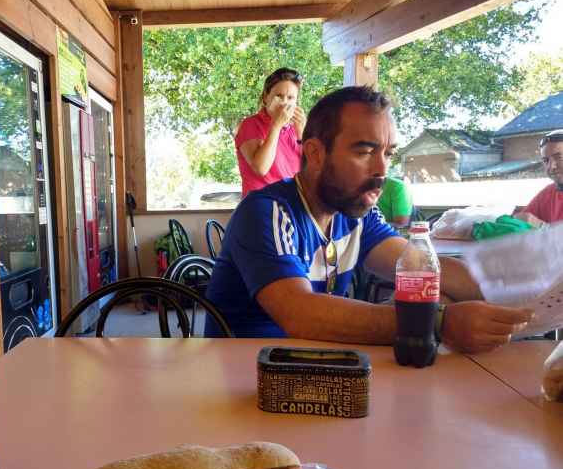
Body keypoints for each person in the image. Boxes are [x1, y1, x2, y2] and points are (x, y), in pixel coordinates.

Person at [205, 86, 533, 353]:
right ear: (316, 154)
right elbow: (301, 314)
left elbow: (420, 267)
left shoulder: (355, 212)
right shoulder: (267, 211)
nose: (382, 170)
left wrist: (518, 296)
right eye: (364, 152)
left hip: (318, 370)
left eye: (387, 153)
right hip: (248, 384)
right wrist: (435, 323)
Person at [235, 68, 307, 198]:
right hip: (262, 206)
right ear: (265, 97)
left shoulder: (295, 128)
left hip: (292, 206)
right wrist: (276, 124)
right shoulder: (250, 124)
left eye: (290, 98)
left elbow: (310, 170)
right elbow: (261, 168)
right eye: (279, 96)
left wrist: (302, 133)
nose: (285, 103)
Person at [515, 130, 563, 225]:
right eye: (546, 160)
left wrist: (543, 227)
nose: (551, 166)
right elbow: (523, 219)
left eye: (559, 157)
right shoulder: (550, 192)